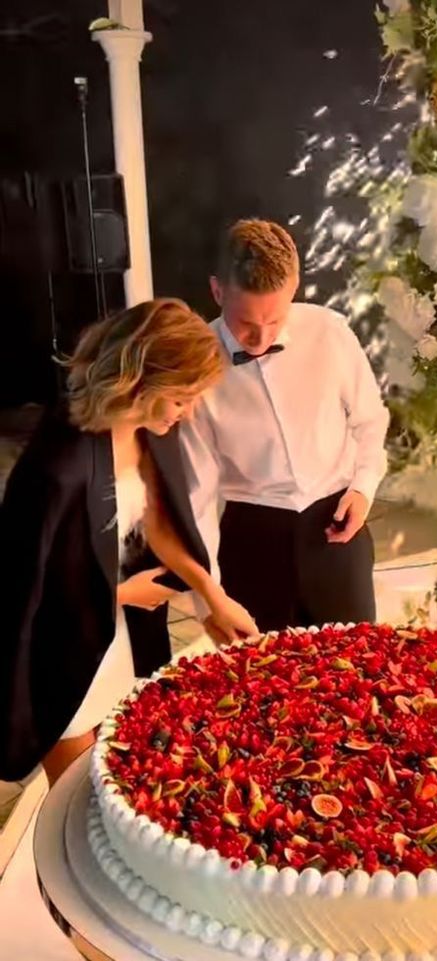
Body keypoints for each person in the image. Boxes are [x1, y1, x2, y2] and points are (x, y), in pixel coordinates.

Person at [0, 299, 258, 785]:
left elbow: (157, 522)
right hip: (63, 657)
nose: (189, 412)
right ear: (141, 382)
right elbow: (22, 591)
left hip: (113, 637)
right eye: (182, 397)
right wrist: (124, 594)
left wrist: (212, 595)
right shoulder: (56, 470)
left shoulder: (147, 430)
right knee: (78, 800)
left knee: (119, 781)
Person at [180, 219, 389, 637]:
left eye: (274, 322)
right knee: (260, 685)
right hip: (251, 540)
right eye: (245, 324)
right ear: (218, 290)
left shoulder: (330, 332)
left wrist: (364, 488)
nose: (259, 339)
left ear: (293, 288)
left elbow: (370, 420)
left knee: (356, 671)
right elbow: (197, 497)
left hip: (336, 528)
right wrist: (209, 600)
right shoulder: (194, 366)